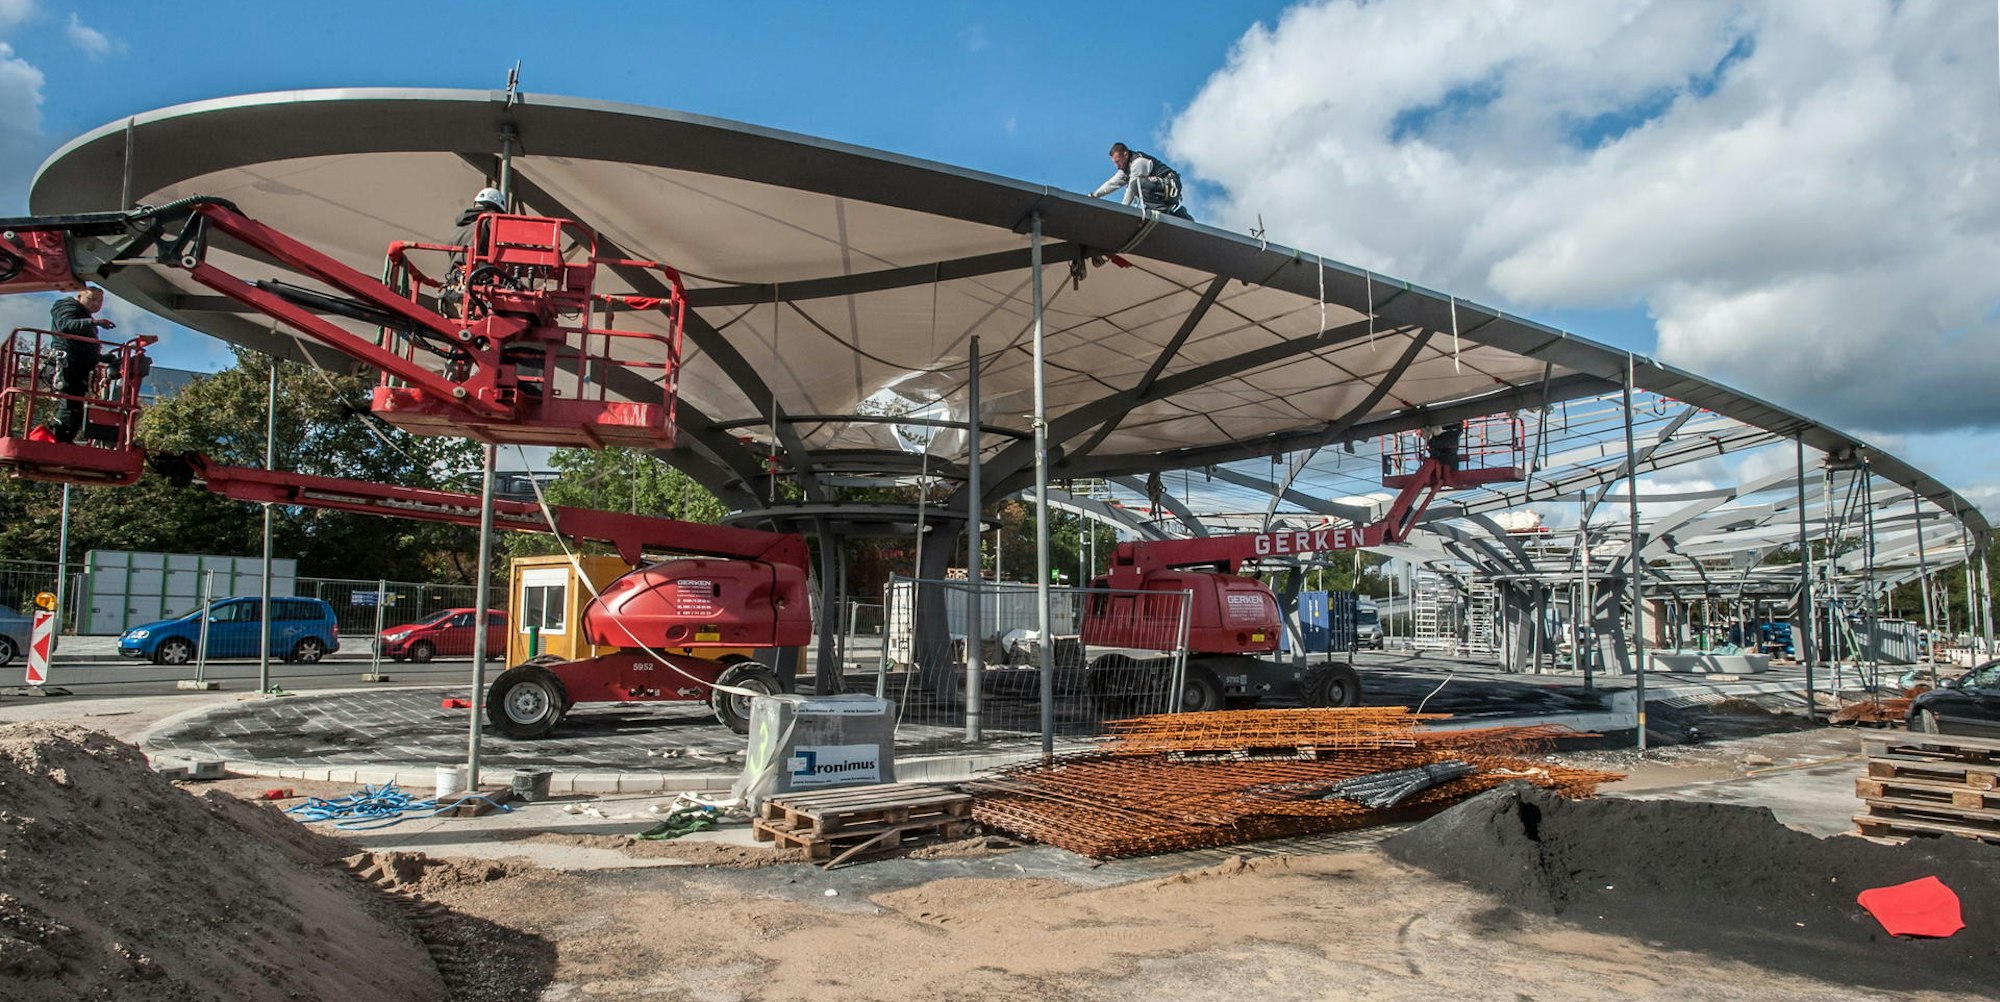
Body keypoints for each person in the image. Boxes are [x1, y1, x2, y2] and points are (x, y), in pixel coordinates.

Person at [44, 286, 118, 443]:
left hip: (77, 365)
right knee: (69, 404)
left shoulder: (82, 315)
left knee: (75, 405)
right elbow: (66, 325)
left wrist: (101, 358)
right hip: (66, 363)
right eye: (92, 299)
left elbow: (80, 346)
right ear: (79, 297)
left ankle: (64, 439)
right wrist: (94, 322)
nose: (96, 304)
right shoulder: (66, 306)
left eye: (100, 301)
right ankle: (59, 440)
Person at [1090, 143, 1192, 220]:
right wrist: (1095, 195)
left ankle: (1161, 211)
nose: (1117, 165)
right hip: (1162, 189)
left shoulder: (1138, 162)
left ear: (1125, 154)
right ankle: (1181, 216)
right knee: (1147, 208)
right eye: (1115, 163)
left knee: (1136, 184)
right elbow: (1112, 183)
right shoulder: (1126, 168)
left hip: (1170, 185)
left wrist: (1122, 210)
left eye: (1118, 161)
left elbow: (1132, 189)